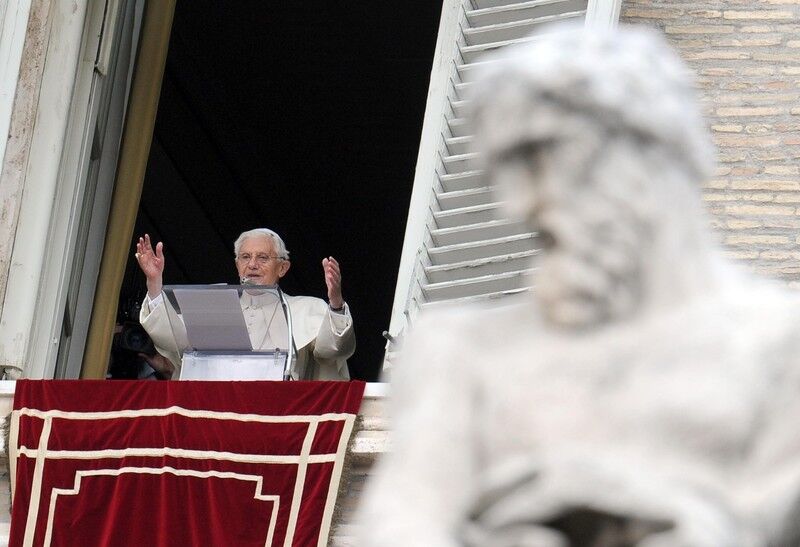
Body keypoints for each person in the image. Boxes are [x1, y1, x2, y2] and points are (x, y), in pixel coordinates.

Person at [357, 26, 800, 546]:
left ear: (652, 144)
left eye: (540, 156)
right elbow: (402, 524)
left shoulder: (782, 343)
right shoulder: (460, 349)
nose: (518, 206)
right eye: (503, 175)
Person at [134, 228, 355, 380]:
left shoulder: (306, 309)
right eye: (245, 257)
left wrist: (335, 301)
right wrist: (155, 283)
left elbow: (333, 349)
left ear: (283, 268)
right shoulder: (213, 309)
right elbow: (172, 337)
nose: (252, 265)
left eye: (263, 258)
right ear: (237, 264)